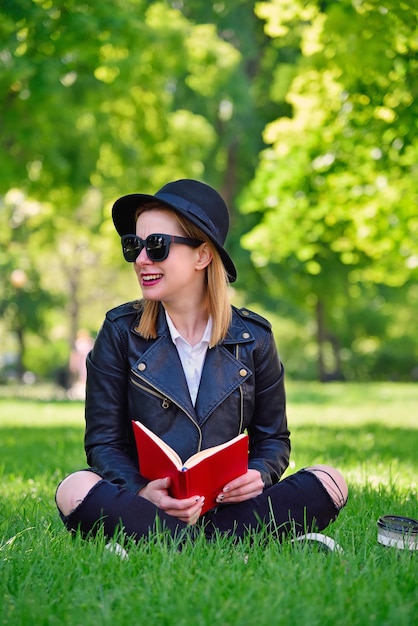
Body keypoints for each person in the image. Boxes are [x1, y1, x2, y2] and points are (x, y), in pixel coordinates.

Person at [56, 179, 347, 547]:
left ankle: (175, 544)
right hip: (151, 506)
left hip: (232, 508)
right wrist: (144, 492)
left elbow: (273, 439)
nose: (142, 259)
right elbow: (103, 443)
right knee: (74, 488)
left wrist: (258, 475)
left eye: (157, 246)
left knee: (331, 480)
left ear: (202, 255)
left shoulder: (254, 337)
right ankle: (224, 545)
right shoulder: (119, 331)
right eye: (134, 246)